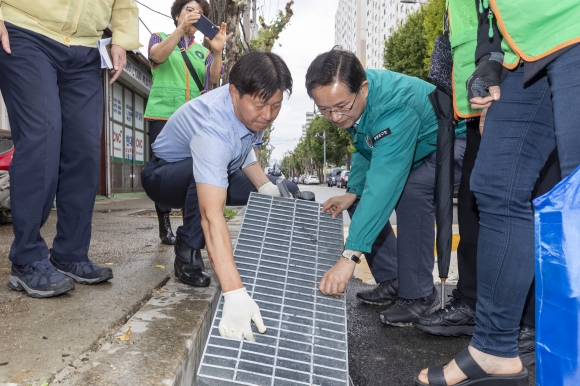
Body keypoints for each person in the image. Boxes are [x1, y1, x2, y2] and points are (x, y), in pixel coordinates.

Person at [415, 0, 580, 384]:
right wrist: (489, 55)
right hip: (522, 49)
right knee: (495, 184)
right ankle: (493, 349)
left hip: (571, 23)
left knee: (575, 193)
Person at [141, 51, 297, 341]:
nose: (267, 115)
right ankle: (186, 252)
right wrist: (234, 292)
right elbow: (212, 216)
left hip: (201, 167)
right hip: (163, 175)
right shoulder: (212, 128)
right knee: (204, 179)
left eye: (275, 106)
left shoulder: (245, 110)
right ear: (234, 92)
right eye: (261, 105)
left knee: (283, 189)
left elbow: (243, 150)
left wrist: (266, 187)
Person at [306, 48, 466, 327]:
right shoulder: (350, 103)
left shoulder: (393, 105)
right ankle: (395, 278)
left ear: (363, 89)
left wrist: (349, 257)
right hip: (419, 149)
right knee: (356, 199)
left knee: (410, 190)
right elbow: (364, 149)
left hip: (456, 143)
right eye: (324, 109)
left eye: (340, 108)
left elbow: (384, 181)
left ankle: (418, 295)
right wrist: (352, 191)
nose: (333, 117)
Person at [0, 0, 140, 298]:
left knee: (85, 150)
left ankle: (70, 253)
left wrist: (121, 40)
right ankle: (26, 259)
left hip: (86, 49)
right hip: (26, 29)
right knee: (42, 138)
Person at [143, 0, 231, 245]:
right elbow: (156, 56)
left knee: (192, 170)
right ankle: (164, 224)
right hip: (163, 116)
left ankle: (188, 225)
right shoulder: (159, 37)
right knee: (162, 171)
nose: (195, 15)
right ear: (176, 15)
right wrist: (181, 30)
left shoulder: (202, 51)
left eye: (200, 13)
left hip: (193, 123)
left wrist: (217, 50)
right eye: (189, 11)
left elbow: (213, 78)